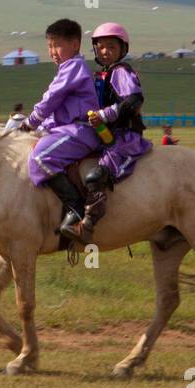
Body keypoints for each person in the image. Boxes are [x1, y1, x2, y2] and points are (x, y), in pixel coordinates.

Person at [58, 22, 153, 242]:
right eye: (100, 47)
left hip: (125, 137)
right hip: (104, 135)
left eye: (111, 47)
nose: (105, 51)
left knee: (96, 175)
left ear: (122, 49)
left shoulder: (121, 72)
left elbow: (134, 101)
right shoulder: (101, 75)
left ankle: (88, 224)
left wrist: (104, 115)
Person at [19, 19, 99, 241]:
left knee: (40, 157)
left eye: (58, 45)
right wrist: (39, 128)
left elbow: (51, 99)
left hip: (80, 131)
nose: (53, 51)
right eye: (49, 46)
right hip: (67, 129)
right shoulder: (67, 68)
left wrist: (30, 123)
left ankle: (76, 211)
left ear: (75, 45)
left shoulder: (74, 67)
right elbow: (56, 113)